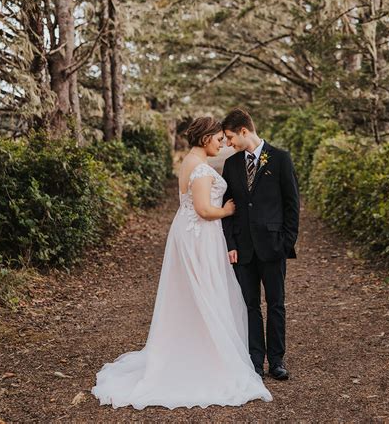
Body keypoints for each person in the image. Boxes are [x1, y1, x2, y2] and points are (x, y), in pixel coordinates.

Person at [91, 116, 272, 410]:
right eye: (217, 139)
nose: (221, 143)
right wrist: (226, 211)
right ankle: (207, 354)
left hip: (192, 235)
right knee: (206, 292)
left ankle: (200, 345)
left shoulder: (191, 161)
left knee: (196, 294)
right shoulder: (200, 169)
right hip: (200, 237)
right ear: (205, 139)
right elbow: (202, 210)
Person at [222, 108, 300, 381]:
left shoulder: (280, 159)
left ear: (244, 130)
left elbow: (292, 204)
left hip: (273, 245)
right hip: (243, 248)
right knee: (249, 305)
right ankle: (255, 360)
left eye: (230, 137)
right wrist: (230, 243)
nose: (228, 143)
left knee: (276, 303)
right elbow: (228, 208)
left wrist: (286, 241)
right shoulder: (231, 165)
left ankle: (276, 360)